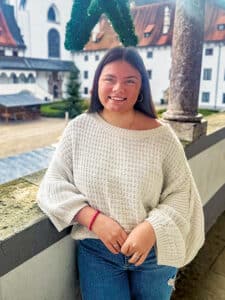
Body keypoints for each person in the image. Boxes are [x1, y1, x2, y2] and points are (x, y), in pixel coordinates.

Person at [37, 46, 205, 300]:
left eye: (130, 81)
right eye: (110, 79)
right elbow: (52, 185)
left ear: (141, 88)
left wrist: (150, 227)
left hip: (154, 253)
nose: (118, 89)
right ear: (97, 83)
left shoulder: (163, 137)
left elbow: (183, 194)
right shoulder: (78, 130)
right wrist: (94, 220)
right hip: (98, 252)